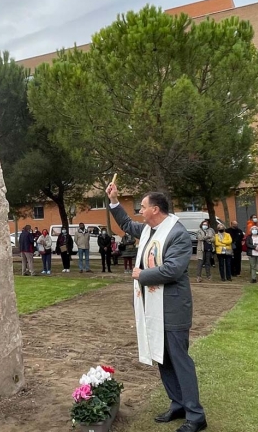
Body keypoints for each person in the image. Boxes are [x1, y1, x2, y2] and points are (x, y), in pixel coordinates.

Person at [107, 184, 207, 432]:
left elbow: (173, 269)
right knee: (163, 360)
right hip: (153, 308)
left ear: (155, 209)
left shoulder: (177, 235)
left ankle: (196, 415)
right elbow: (129, 226)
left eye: (142, 207)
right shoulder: (151, 230)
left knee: (180, 360)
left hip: (172, 309)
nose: (139, 211)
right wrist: (113, 201)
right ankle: (178, 404)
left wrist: (142, 274)